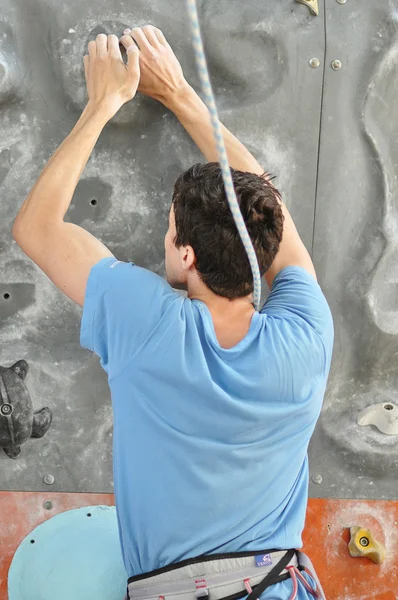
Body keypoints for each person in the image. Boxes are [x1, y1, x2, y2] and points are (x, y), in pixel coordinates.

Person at [12, 25, 334, 600]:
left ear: (185, 254)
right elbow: (270, 210)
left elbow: (36, 230)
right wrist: (183, 94)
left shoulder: (150, 323)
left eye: (168, 228)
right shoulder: (306, 337)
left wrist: (102, 103)